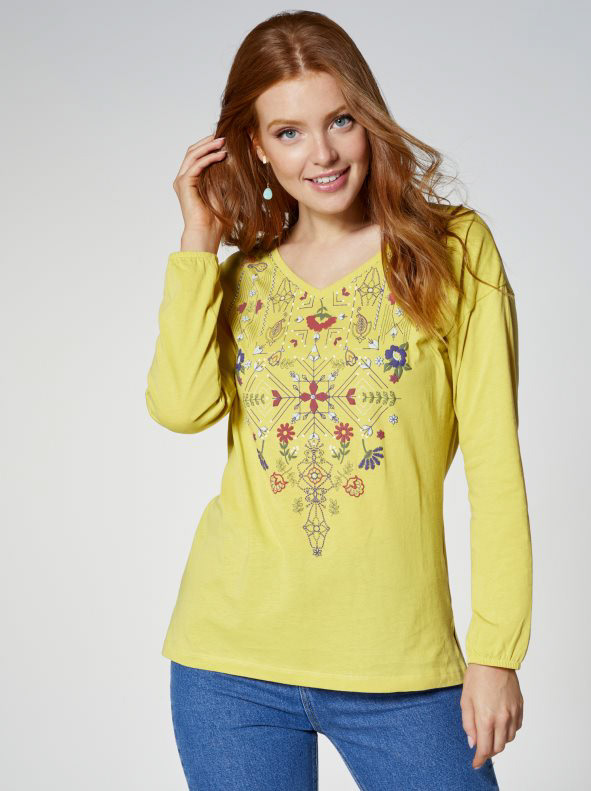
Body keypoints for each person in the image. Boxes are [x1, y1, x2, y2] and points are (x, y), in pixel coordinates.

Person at [145, 10, 532, 790]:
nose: (320, 153)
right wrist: (197, 243)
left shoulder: (450, 251)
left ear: (368, 118)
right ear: (256, 145)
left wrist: (495, 651)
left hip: (399, 665)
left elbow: (493, 462)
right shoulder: (241, 275)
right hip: (229, 665)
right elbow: (181, 407)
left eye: (340, 121)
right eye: (288, 132)